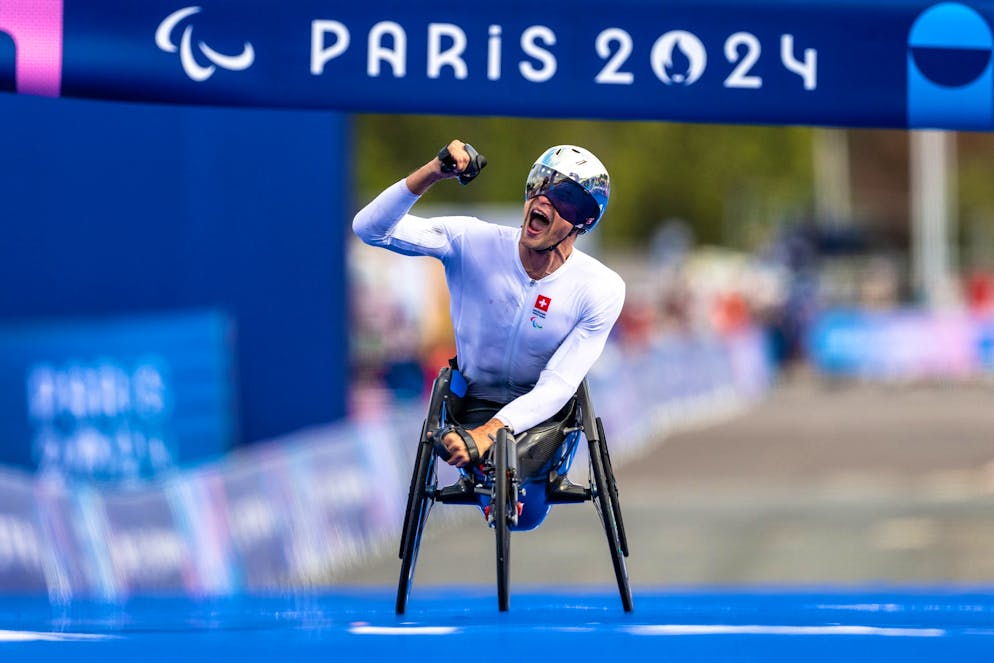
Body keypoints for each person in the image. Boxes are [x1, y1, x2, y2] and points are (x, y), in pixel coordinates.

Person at [353, 140, 625, 468]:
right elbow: (369, 229)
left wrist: (489, 433)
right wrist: (433, 172)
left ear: (584, 221)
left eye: (565, 199)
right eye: (539, 183)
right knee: (485, 463)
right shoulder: (471, 240)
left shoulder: (602, 288)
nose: (544, 199)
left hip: (541, 416)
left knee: (524, 493)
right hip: (472, 402)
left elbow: (558, 383)